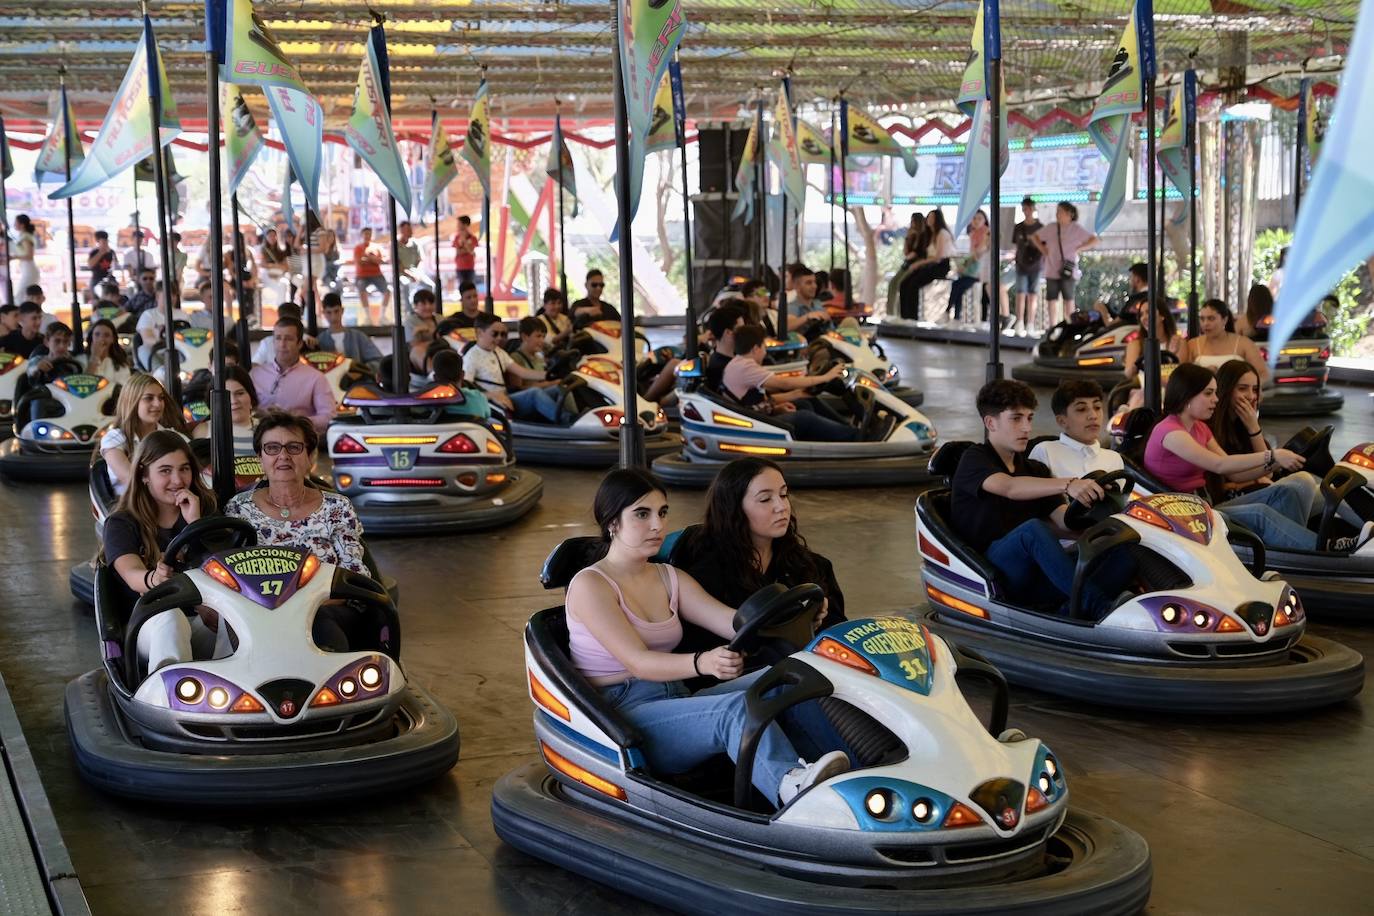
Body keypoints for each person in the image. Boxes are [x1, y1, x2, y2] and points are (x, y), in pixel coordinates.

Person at [565, 468, 849, 805]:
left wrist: (801, 616)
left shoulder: (668, 576)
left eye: (662, 512)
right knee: (735, 710)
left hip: (675, 697)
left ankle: (851, 774)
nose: (657, 525)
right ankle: (792, 788)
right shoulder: (590, 585)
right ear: (613, 522)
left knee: (793, 676)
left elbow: (735, 623)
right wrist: (703, 662)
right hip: (625, 716)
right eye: (642, 514)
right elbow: (638, 663)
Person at [952, 380, 1134, 615]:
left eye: (1029, 418)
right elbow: (1009, 487)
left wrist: (1101, 514)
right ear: (990, 422)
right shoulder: (974, 459)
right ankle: (1096, 606)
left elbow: (1063, 522)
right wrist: (1069, 484)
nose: (1026, 428)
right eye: (1016, 419)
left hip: (1034, 575)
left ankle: (1071, 610)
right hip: (991, 570)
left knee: (1123, 549)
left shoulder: (1035, 470)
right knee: (1033, 530)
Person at [1142, 364, 1333, 551]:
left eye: (1215, 393)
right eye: (1208, 393)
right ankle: (1324, 549)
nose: (1216, 399)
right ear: (1187, 395)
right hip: (1181, 514)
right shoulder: (1170, 432)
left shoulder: (1200, 427)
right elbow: (1220, 465)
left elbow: (1234, 474)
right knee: (1260, 513)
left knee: (1287, 492)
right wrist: (1272, 455)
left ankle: (1297, 552)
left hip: (1203, 506)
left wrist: (1274, 462)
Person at [225, 412, 367, 651]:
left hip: (326, 608)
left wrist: (305, 605)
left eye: (293, 447)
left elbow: (353, 576)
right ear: (260, 457)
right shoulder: (239, 509)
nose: (283, 456)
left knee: (317, 625)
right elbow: (232, 575)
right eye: (272, 448)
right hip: (260, 615)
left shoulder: (337, 507)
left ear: (310, 456)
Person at [98, 431, 219, 672]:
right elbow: (133, 575)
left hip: (200, 622)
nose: (177, 480)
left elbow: (221, 567)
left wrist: (194, 524)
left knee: (236, 620)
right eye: (165, 471)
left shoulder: (205, 511)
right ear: (144, 475)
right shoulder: (122, 523)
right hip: (148, 625)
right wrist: (154, 579)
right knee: (170, 617)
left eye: (184, 469)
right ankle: (171, 695)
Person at [679, 458, 846, 631]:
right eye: (765, 499)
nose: (781, 507)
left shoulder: (814, 566)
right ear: (733, 509)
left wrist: (819, 619)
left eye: (783, 495)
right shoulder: (707, 575)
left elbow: (841, 632)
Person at [722, 325, 857, 443]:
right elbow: (784, 383)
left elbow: (756, 401)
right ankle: (854, 436)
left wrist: (779, 406)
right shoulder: (746, 367)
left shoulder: (737, 363)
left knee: (805, 401)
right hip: (754, 423)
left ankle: (846, 429)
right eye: (764, 346)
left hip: (754, 416)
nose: (765, 351)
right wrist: (825, 377)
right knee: (805, 418)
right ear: (755, 348)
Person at [462, 313, 565, 422]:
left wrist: (551, 375)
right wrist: (491, 395)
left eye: (502, 334)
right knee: (534, 393)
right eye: (494, 334)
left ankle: (574, 419)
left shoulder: (498, 352)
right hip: (494, 406)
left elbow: (522, 372)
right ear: (479, 332)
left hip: (507, 399)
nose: (499, 338)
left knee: (559, 388)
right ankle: (566, 421)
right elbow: (466, 391)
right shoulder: (471, 358)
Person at [101, 374, 186, 494]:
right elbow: (130, 479)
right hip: (130, 506)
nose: (158, 404)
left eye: (161, 398)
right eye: (149, 398)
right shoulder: (115, 438)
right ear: (132, 402)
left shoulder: (171, 436)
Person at [250, 316, 336, 433]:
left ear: (300, 343)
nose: (282, 344)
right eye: (278, 338)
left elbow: (328, 417)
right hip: (258, 440)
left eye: (288, 339)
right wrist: (260, 414)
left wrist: (294, 420)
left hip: (297, 441)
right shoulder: (255, 374)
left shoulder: (315, 378)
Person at [1028, 380, 1124, 479]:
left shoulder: (1114, 458)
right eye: (1081, 409)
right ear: (1062, 421)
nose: (1093, 416)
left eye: (1097, 407)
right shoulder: (1046, 451)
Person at [1032, 201, 1098, 330]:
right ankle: (1052, 326)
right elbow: (1035, 237)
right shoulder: (1051, 227)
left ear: (1069, 214)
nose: (1058, 214)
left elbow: (1094, 240)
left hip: (1068, 270)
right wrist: (1043, 249)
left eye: (1060, 211)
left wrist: (1079, 248)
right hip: (1051, 269)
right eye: (1057, 211)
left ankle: (1070, 325)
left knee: (1069, 299)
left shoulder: (1076, 228)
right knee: (1052, 299)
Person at [1183, 298, 1268, 382]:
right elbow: (1183, 376)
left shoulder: (1244, 343)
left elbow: (1262, 375)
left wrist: (1243, 386)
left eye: (1211, 318)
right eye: (1202, 319)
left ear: (1224, 320)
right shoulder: (1193, 344)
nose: (1205, 323)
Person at [192, 365, 259, 455]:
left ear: (251, 396)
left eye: (240, 393)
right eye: (225, 395)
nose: (234, 401)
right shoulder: (203, 431)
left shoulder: (266, 429)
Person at [316, 292, 382, 367]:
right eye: (329, 312)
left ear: (342, 310)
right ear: (323, 313)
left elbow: (378, 360)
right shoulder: (320, 340)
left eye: (336, 311)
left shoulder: (358, 337)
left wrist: (361, 369)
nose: (333, 317)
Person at [949, 210, 990, 325]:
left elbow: (978, 254)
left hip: (982, 272)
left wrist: (964, 265)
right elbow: (973, 255)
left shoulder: (987, 234)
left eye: (979, 218)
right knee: (958, 287)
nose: (976, 221)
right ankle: (955, 317)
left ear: (984, 220)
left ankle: (952, 313)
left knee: (959, 286)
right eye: (974, 218)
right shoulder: (972, 234)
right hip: (974, 271)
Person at [1010, 197, 1043, 336]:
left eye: (1029, 208)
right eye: (1024, 209)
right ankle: (1019, 322)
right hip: (1021, 264)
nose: (1026, 211)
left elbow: (1045, 246)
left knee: (1032, 295)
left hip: (1036, 264)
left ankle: (1030, 323)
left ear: (1033, 209)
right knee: (1020, 293)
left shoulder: (1040, 227)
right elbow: (1015, 245)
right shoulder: (1018, 227)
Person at [704, 301, 749, 390]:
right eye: (741, 329)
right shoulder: (730, 367)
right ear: (728, 333)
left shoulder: (716, 358)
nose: (745, 333)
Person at [352, 227, 389, 323]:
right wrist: (373, 259)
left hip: (377, 274)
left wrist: (368, 258)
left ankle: (382, 316)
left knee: (388, 291)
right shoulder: (358, 248)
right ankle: (368, 317)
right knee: (361, 289)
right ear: (362, 235)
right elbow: (359, 262)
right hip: (362, 276)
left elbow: (382, 260)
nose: (367, 236)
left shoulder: (377, 247)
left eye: (369, 233)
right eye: (365, 234)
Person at [12, 215, 38, 293]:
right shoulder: (24, 236)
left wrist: (13, 257)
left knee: (22, 294)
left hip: (28, 269)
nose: (14, 225)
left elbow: (29, 255)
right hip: (26, 268)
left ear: (22, 225)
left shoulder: (25, 237)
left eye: (16, 222)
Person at [452, 215, 478, 288]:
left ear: (465, 225)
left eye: (459, 224)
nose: (457, 226)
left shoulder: (473, 238)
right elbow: (458, 252)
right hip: (459, 267)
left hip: (470, 267)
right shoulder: (457, 237)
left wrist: (464, 241)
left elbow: (471, 250)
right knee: (462, 287)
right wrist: (468, 250)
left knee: (470, 286)